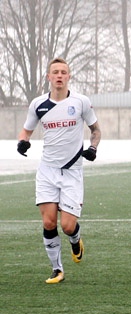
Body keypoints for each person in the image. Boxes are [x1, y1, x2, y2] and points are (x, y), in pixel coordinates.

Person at [17, 57, 101, 284]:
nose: (59, 76)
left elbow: (95, 130)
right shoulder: (38, 104)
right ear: (49, 77)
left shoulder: (81, 102)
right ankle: (57, 270)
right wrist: (23, 142)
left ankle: (75, 239)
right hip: (47, 171)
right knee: (48, 223)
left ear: (69, 76)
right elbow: (26, 131)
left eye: (63, 72)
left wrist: (93, 148)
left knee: (67, 226)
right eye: (55, 72)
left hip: (72, 171)